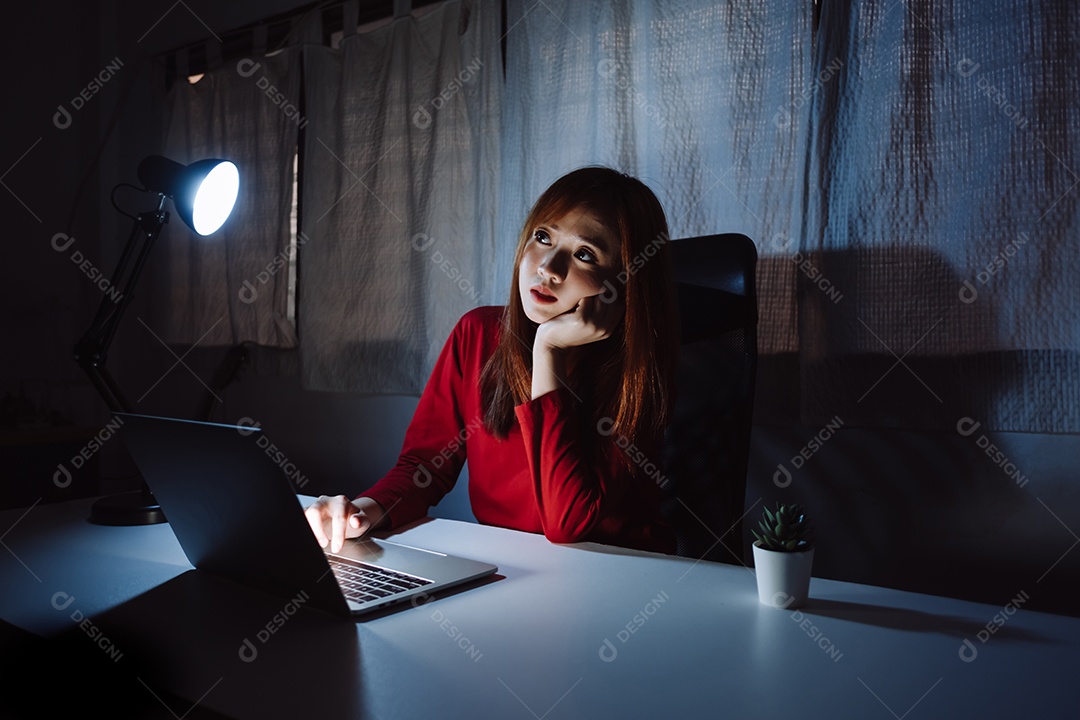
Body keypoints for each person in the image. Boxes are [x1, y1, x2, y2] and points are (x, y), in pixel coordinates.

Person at [305, 167, 679, 554]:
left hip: (624, 574)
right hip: (516, 568)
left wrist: (547, 351)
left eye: (584, 254)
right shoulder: (477, 333)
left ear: (623, 283)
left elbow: (566, 524)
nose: (547, 268)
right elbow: (425, 466)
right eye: (542, 237)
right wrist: (359, 513)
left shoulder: (636, 372)